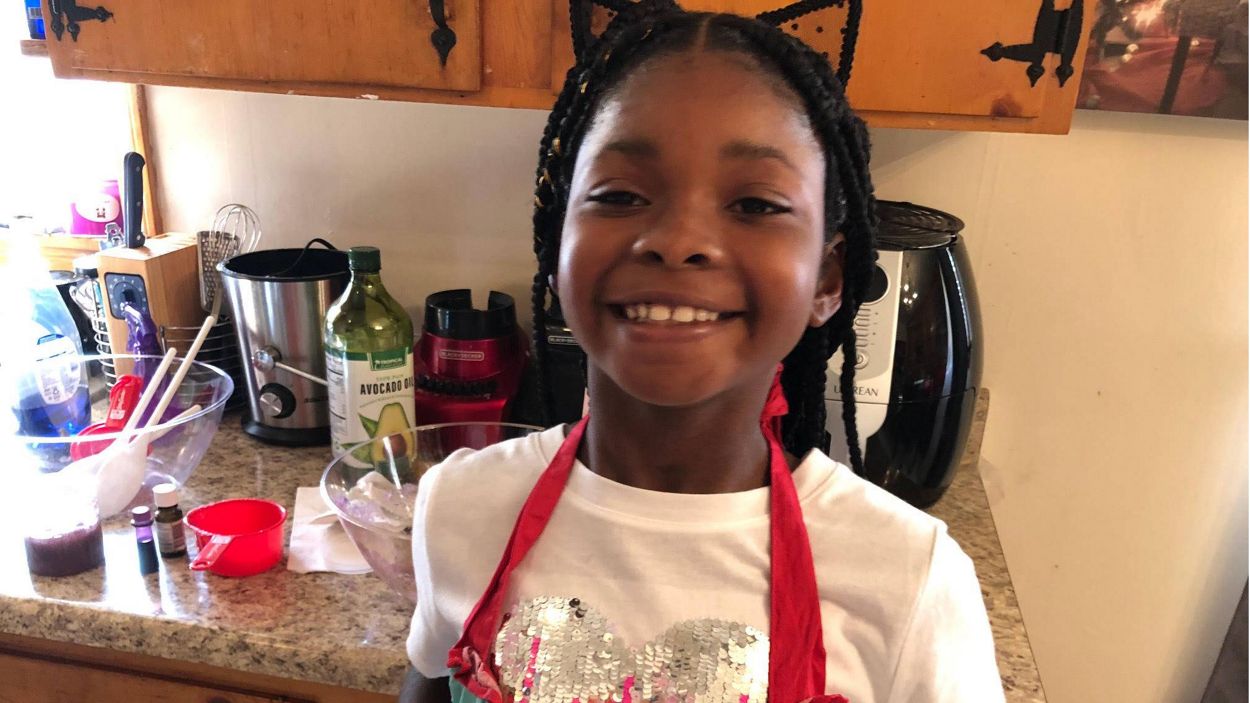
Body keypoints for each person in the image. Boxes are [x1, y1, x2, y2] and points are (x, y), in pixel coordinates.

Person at [402, 2, 1004, 701]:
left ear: (827, 280)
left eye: (755, 205)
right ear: (555, 248)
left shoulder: (909, 579)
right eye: (619, 193)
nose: (678, 239)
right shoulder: (461, 506)